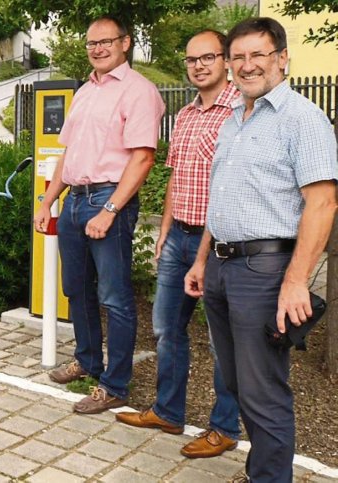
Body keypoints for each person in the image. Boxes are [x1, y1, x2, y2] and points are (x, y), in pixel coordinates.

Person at [184, 17, 337, 482]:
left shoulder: (302, 119)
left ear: (282, 59)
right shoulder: (235, 118)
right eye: (238, 57)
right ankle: (261, 470)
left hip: (266, 269)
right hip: (223, 265)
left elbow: (324, 202)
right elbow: (223, 195)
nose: (247, 66)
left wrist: (295, 283)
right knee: (236, 382)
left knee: (263, 390)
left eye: (258, 55)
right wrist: (202, 258)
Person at [116, 30, 241, 458]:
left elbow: (228, 189)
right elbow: (176, 176)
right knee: (167, 329)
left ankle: (223, 427)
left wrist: (203, 251)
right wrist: (166, 229)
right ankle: (167, 411)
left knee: (222, 340)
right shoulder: (185, 113)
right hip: (179, 239)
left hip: (220, 244)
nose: (198, 65)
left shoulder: (240, 113)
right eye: (191, 59)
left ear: (225, 60)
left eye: (208, 57)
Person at [34, 16, 165, 414]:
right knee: (76, 289)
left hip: (110, 200)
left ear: (125, 43)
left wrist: (110, 210)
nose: (98, 48)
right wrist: (47, 201)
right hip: (75, 200)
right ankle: (88, 360)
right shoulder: (86, 91)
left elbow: (143, 159)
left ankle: (115, 384)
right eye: (91, 42)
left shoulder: (140, 92)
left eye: (106, 41)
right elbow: (67, 154)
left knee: (115, 297)